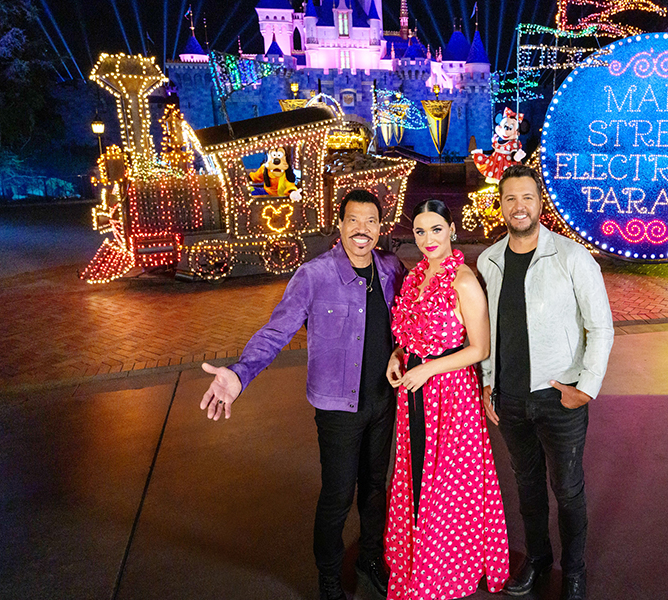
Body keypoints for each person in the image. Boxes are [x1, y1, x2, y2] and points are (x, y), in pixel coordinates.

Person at [199, 189, 404, 600]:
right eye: (353, 220)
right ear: (340, 225)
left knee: (375, 487)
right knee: (338, 494)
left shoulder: (392, 268)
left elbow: (406, 326)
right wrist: (240, 375)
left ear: (380, 229)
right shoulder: (314, 276)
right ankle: (328, 578)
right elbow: (276, 331)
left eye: (371, 221)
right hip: (336, 407)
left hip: (384, 402)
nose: (362, 229)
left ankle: (370, 557)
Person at [477, 165, 613, 600]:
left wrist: (587, 387)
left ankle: (573, 571)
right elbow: (487, 330)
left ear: (540, 203)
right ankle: (538, 562)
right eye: (511, 198)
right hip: (510, 399)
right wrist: (487, 383)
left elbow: (601, 327)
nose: (520, 206)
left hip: (560, 398)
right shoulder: (489, 260)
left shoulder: (573, 257)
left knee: (568, 489)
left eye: (527, 197)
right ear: (501, 206)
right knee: (528, 487)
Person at [383, 199, 510, 599]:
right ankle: (416, 558)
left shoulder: (464, 280)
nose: (427, 239)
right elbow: (409, 333)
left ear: (451, 229)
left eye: (436, 229)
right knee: (418, 474)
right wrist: (398, 355)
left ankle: (446, 568)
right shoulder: (416, 275)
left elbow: (480, 348)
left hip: (451, 395)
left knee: (450, 485)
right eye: (420, 231)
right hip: (415, 389)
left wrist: (427, 369)